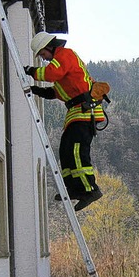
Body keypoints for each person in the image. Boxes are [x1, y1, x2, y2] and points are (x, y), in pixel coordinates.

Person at [25, 31, 105, 212]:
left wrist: (31, 71)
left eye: (43, 54)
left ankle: (91, 189)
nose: (43, 59)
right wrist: (38, 90)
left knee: (77, 152)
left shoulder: (65, 55)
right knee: (66, 151)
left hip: (85, 112)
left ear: (50, 47)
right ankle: (74, 188)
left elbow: (52, 74)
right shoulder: (61, 63)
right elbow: (58, 91)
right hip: (77, 113)